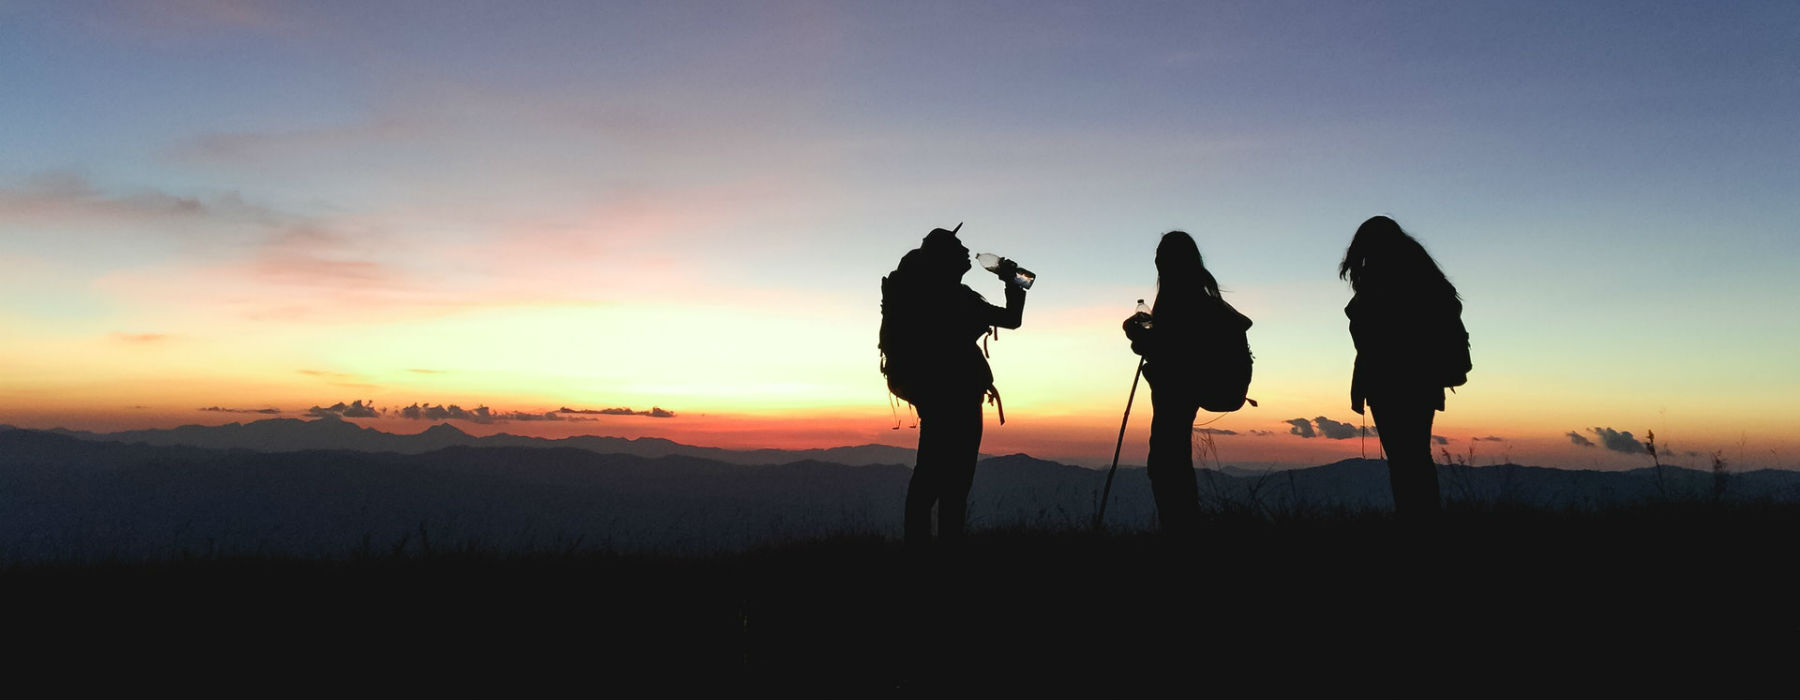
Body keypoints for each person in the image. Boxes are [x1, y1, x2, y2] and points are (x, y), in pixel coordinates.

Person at [881, 226, 1026, 547]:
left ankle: (921, 545)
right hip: (956, 394)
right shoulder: (953, 297)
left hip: (935, 392)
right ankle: (947, 548)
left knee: (931, 473)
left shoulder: (930, 294)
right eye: (958, 248)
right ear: (944, 258)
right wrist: (1013, 279)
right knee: (953, 478)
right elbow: (1012, 319)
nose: (966, 252)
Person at [1339, 216, 1469, 517]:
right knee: (1414, 457)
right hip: (1422, 381)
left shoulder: (1383, 279)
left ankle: (1416, 520)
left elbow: (1374, 335)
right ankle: (1422, 517)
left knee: (1404, 460)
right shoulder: (1420, 275)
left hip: (1392, 382)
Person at [1122, 231, 1250, 534]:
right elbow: (1173, 348)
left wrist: (1137, 337)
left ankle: (1181, 532)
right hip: (1189, 387)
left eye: (1161, 255)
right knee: (1170, 459)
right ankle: (1183, 530)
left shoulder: (1181, 300)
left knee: (1166, 462)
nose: (1156, 260)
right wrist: (1143, 340)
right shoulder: (1198, 299)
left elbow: (1175, 352)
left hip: (1179, 390)